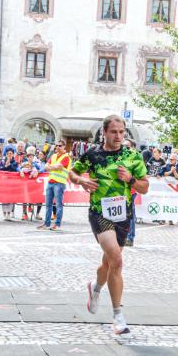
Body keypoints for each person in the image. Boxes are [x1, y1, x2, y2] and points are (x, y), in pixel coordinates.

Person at [68, 114, 149, 335]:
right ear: (104, 132)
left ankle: (95, 288)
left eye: (122, 132)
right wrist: (81, 180)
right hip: (99, 212)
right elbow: (72, 172)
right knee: (117, 260)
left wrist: (131, 179)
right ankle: (118, 315)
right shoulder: (92, 154)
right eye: (113, 132)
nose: (118, 136)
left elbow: (144, 187)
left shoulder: (132, 156)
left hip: (123, 215)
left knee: (109, 263)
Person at [39, 140, 71, 231]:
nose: (57, 147)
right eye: (56, 145)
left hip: (59, 183)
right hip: (51, 182)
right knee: (48, 204)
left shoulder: (66, 157)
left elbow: (59, 167)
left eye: (60, 145)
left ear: (64, 146)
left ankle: (57, 224)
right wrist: (53, 167)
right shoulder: (53, 156)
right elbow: (46, 166)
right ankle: (47, 223)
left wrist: (51, 167)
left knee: (58, 205)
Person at [0, 147, 19, 219]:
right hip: (4, 181)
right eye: (8, 153)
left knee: (11, 197)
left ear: (13, 154)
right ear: (6, 154)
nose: (9, 155)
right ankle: (4, 213)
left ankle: (9, 213)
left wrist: (9, 165)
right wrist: (5, 166)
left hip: (12, 182)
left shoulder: (15, 162)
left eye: (11, 153)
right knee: (4, 197)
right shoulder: (2, 161)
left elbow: (15, 170)